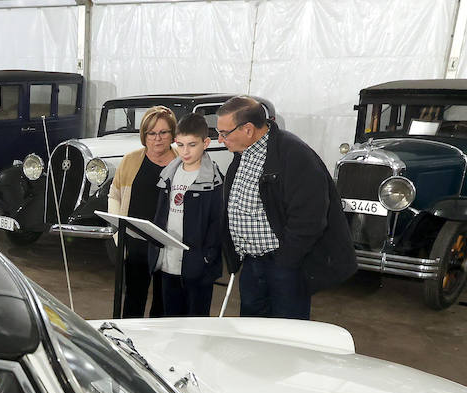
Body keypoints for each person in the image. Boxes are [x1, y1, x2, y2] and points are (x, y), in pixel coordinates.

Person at [216, 96, 355, 320]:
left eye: (224, 133)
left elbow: (310, 217)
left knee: (286, 331)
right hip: (252, 263)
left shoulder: (294, 155)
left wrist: (285, 261)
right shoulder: (242, 154)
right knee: (252, 330)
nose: (220, 139)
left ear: (248, 129)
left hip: (284, 266)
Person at [148, 113, 226, 317]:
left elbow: (217, 223)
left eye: (192, 145)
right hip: (169, 262)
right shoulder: (168, 175)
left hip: (198, 267)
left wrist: (207, 258)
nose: (185, 151)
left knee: (195, 321)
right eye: (180, 145)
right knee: (170, 318)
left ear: (205, 143)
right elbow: (160, 214)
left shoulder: (214, 180)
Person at [108, 105, 175, 318]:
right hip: (136, 242)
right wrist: (118, 233)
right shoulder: (130, 160)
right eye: (151, 133)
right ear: (144, 135)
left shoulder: (181, 162)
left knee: (164, 301)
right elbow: (114, 195)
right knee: (133, 299)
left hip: (168, 244)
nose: (157, 139)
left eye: (163, 132)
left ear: (172, 134)